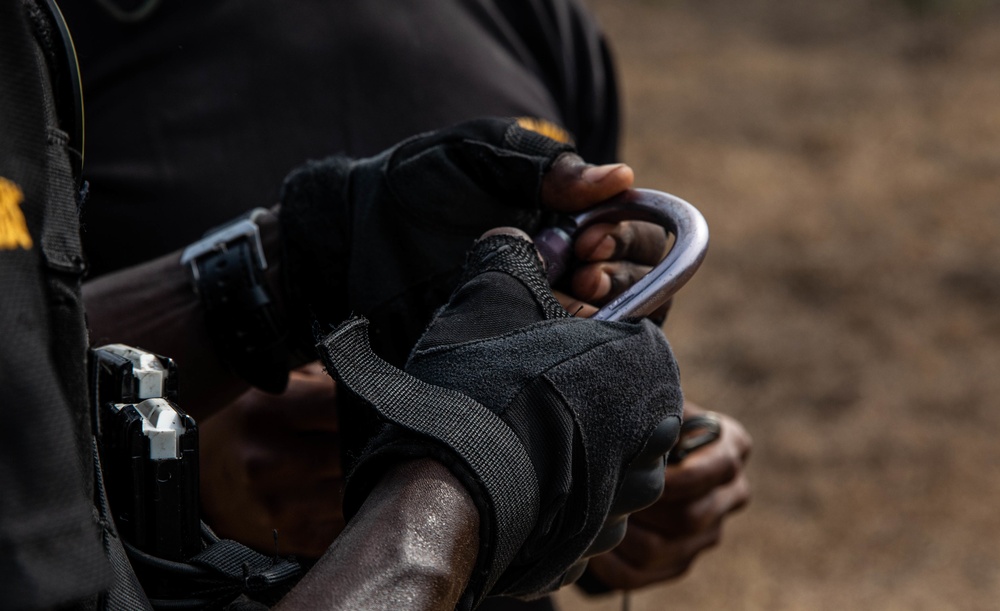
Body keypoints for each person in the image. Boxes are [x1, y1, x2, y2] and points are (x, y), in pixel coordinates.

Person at [62, 0, 752, 606]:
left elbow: (561, 339)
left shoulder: (536, 16)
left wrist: (603, 475)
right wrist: (165, 457)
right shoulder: (45, 32)